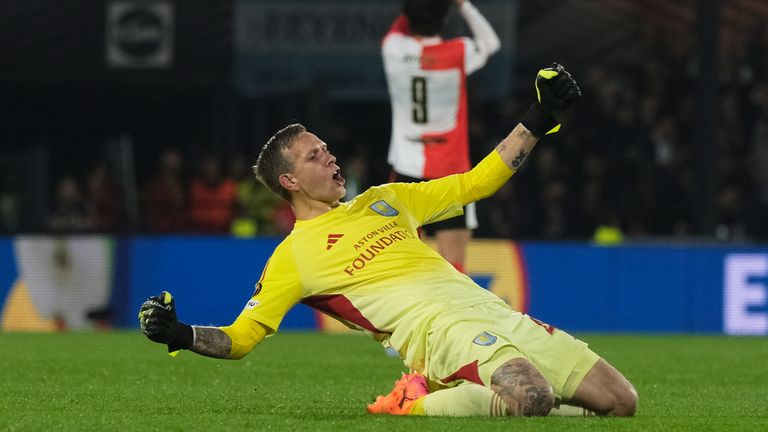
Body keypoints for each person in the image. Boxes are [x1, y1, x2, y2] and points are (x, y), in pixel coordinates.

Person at [139, 65, 638, 417]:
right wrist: (179, 334)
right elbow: (241, 338)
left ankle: (514, 400)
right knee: (531, 397)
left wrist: (538, 116)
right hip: (437, 332)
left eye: (327, 149)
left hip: (491, 311)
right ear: (289, 182)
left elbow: (474, 183)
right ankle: (414, 403)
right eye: (315, 157)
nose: (330, 158)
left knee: (621, 402)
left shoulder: (385, 199)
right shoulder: (293, 257)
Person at [382, 0, 500, 272]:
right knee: (454, 261)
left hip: (406, 168)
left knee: (400, 256)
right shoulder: (458, 52)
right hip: (450, 171)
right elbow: (490, 42)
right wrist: (462, 4)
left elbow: (404, 22)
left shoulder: (393, 49)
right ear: (445, 20)